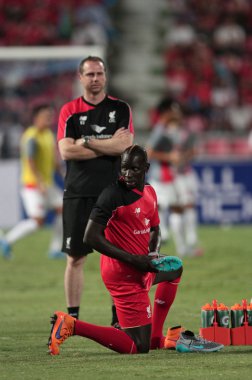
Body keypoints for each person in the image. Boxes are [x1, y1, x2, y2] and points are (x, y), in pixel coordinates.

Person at [48, 145, 223, 355]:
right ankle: (71, 324)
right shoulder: (111, 195)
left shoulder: (149, 191)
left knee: (174, 269)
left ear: (146, 168)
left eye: (134, 169)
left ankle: (156, 338)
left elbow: (155, 228)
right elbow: (91, 237)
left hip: (141, 265)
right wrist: (134, 260)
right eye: (124, 169)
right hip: (122, 274)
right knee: (138, 347)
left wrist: (152, 255)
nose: (128, 174)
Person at [57, 56, 134, 324]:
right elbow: (66, 150)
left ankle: (118, 317)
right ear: (80, 78)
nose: (95, 78)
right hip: (78, 191)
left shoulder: (120, 108)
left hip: (113, 192)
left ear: (105, 76)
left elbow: (124, 147)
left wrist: (87, 141)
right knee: (75, 258)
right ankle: (72, 319)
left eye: (99, 73)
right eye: (90, 74)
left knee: (117, 257)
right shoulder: (70, 110)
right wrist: (106, 144)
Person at [0, 104, 64, 260]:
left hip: (47, 184)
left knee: (63, 209)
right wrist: (40, 182)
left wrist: (62, 173)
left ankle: (55, 249)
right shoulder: (31, 136)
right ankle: (6, 240)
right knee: (37, 222)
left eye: (50, 116)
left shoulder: (48, 134)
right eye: (46, 116)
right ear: (36, 118)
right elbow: (30, 161)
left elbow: (54, 157)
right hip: (33, 185)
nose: (49, 119)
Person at [146, 97, 203, 257]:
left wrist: (182, 156)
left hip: (172, 175)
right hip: (161, 176)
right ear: (167, 112)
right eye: (174, 110)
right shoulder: (160, 130)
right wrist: (169, 157)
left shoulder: (174, 129)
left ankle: (181, 247)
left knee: (177, 208)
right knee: (170, 208)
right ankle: (162, 240)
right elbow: (149, 152)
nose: (177, 113)